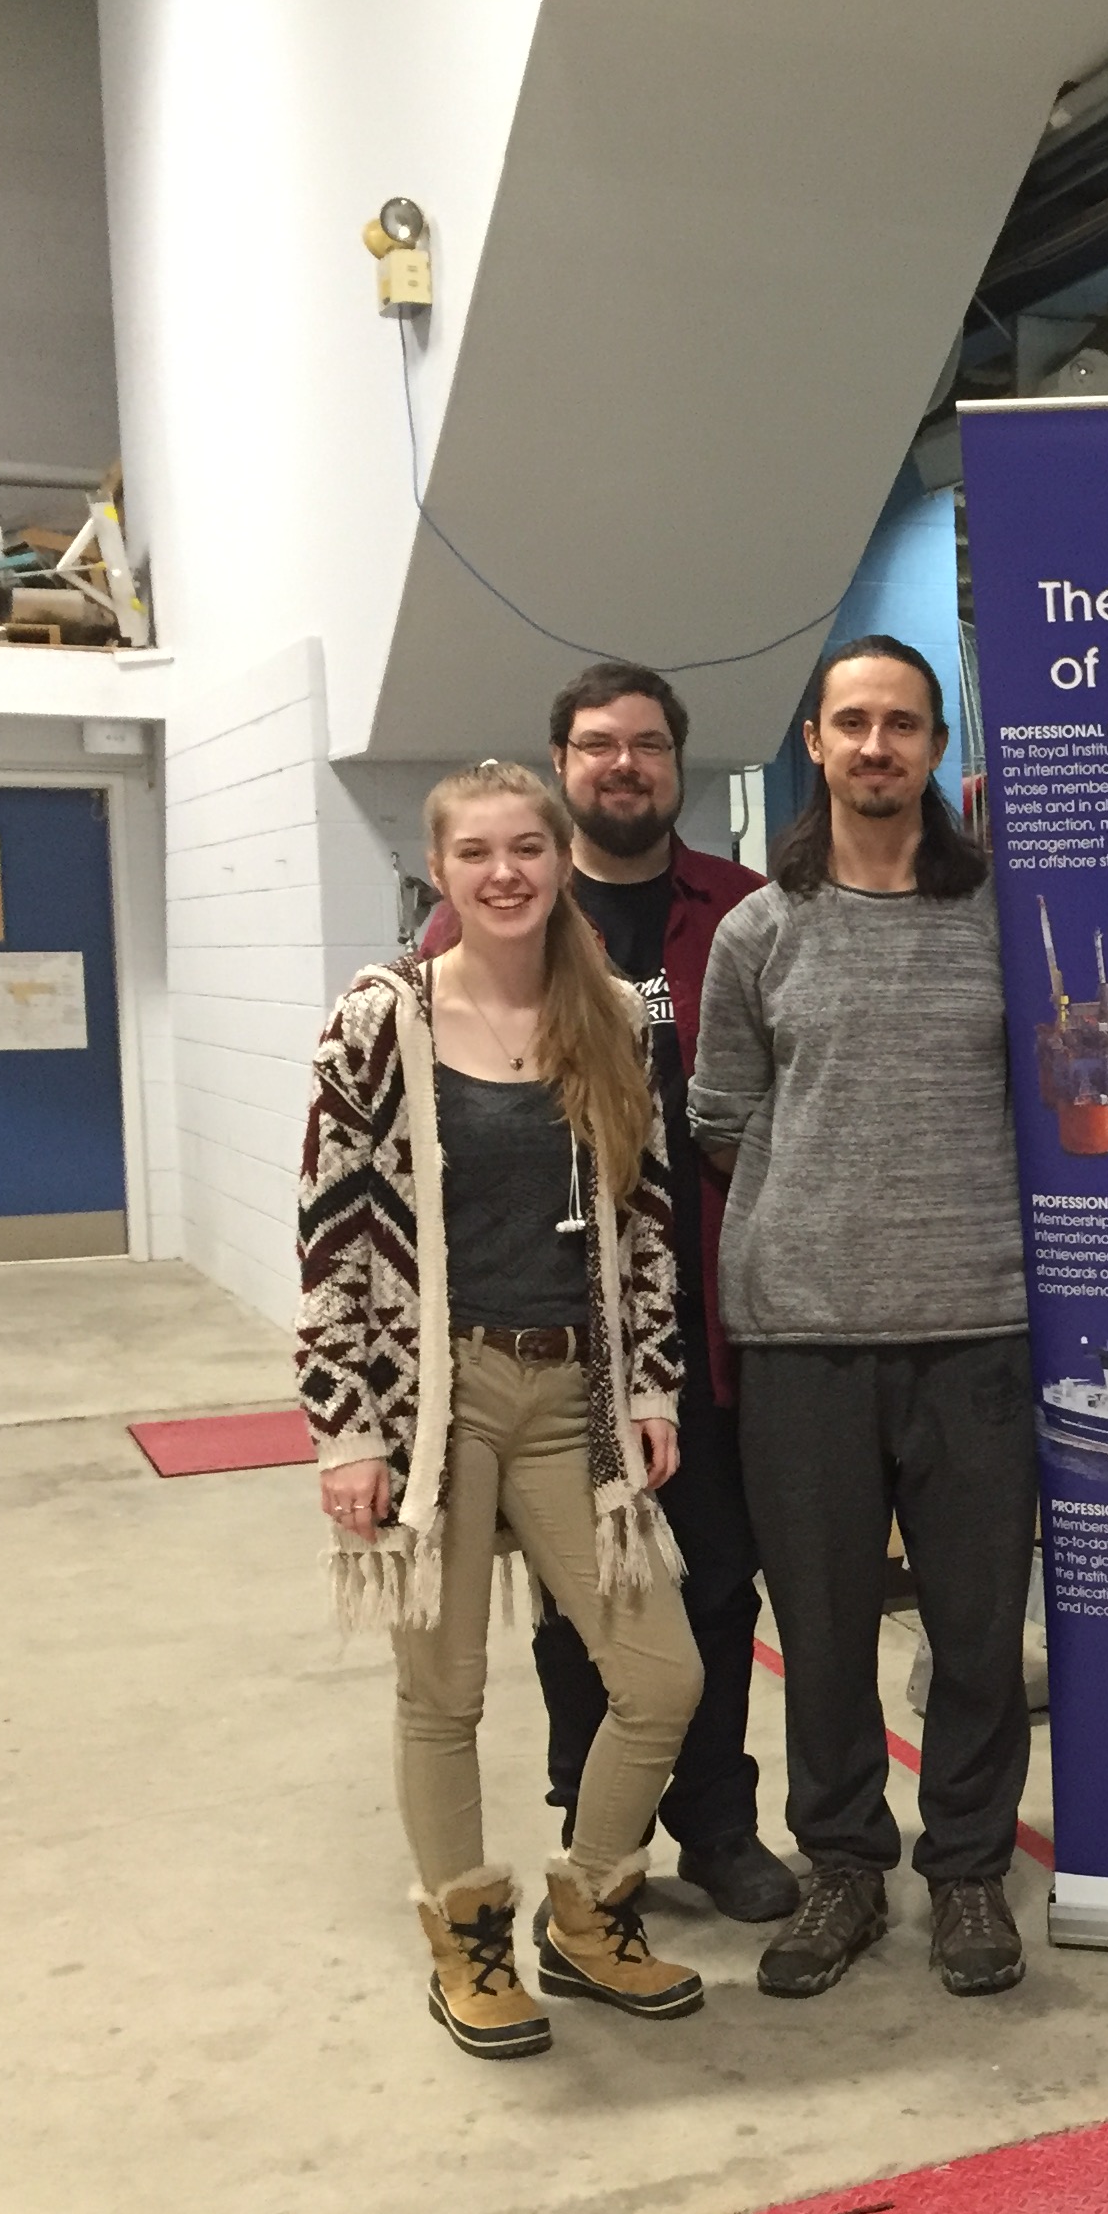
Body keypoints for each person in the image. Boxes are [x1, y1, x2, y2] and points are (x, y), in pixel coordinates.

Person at [298, 761, 709, 2058]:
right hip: (435, 1400)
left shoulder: (611, 1015)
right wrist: (347, 1429)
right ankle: (467, 1948)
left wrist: (650, 1379)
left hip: (575, 1393)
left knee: (664, 1678)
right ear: (440, 871)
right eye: (475, 853)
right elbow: (332, 1235)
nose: (505, 873)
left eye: (527, 847)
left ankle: (587, 1914)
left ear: (560, 857)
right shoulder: (382, 1021)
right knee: (445, 1693)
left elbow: (645, 1220)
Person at [691, 634, 1038, 2000]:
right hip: (804, 1334)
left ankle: (967, 1872)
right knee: (824, 1632)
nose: (876, 745)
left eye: (902, 723)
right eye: (853, 723)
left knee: (975, 1630)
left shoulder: (998, 917)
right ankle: (842, 1862)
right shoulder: (759, 931)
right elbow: (722, 1117)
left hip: (977, 1324)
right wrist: (822, 1215)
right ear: (817, 744)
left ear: (936, 747)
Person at [418, 665, 789, 1924]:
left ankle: (721, 1828)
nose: (622, 764)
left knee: (716, 1585)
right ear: (562, 765)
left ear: (677, 764)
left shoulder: (743, 912)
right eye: (595, 745)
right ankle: (597, 1836)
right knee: (581, 1608)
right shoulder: (493, 924)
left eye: (646, 745)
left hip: (713, 1323)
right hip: (561, 1342)